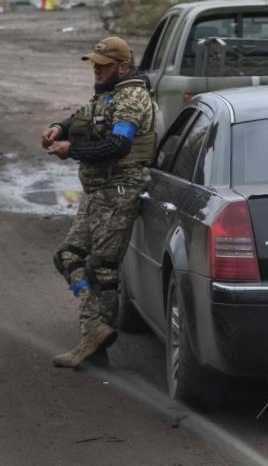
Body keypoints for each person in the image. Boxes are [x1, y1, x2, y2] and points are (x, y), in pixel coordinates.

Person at [45, 36, 157, 368]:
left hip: (119, 191)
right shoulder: (108, 95)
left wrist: (72, 151)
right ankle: (95, 329)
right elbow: (81, 118)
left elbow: (119, 145)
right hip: (97, 192)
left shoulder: (131, 99)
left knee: (102, 267)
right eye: (94, 64)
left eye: (102, 65)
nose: (95, 70)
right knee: (67, 256)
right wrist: (57, 129)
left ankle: (94, 345)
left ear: (122, 67)